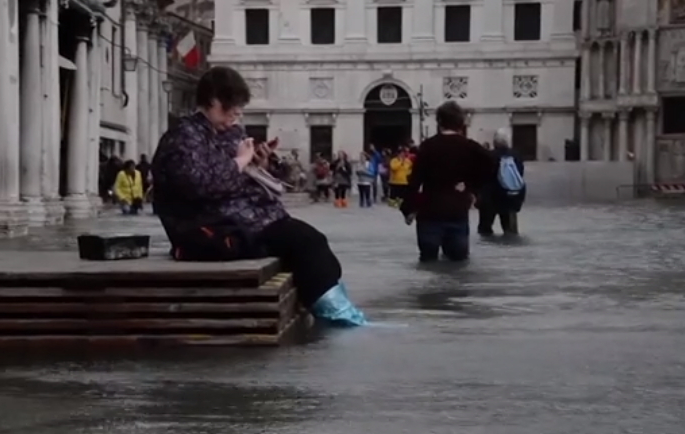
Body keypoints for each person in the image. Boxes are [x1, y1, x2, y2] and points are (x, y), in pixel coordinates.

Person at [151, 66, 366, 326]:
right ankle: (340, 318)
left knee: (312, 242)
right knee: (306, 244)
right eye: (233, 108)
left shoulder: (225, 133)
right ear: (214, 101)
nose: (237, 115)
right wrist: (241, 161)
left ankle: (341, 312)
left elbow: (234, 177)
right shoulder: (183, 137)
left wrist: (258, 163)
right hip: (210, 231)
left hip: (243, 220)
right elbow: (200, 185)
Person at [400, 101, 497, 262]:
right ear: (461, 123)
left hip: (430, 212)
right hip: (457, 210)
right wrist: (472, 188)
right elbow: (492, 165)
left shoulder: (427, 146)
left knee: (428, 263)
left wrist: (408, 209)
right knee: (458, 263)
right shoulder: (469, 146)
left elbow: (415, 181)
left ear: (439, 122)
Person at [477, 128, 526, 236]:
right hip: (510, 196)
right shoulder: (516, 155)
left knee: (485, 231)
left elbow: (481, 176)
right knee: (511, 233)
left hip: (490, 198)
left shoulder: (488, 156)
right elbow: (520, 173)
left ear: (494, 142)